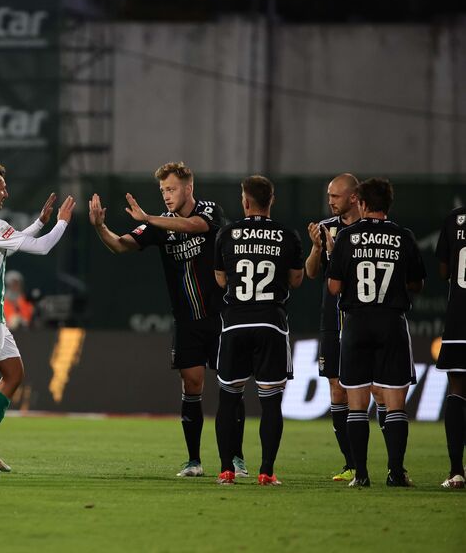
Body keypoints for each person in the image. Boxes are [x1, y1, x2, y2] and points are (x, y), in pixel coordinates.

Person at [89, 162, 248, 478]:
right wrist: (99, 228)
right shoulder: (158, 225)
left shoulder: (209, 209)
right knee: (192, 385)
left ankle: (237, 458)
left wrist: (149, 218)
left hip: (220, 316)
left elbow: (196, 226)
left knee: (230, 387)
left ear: (188, 188)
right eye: (163, 190)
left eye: (171, 188)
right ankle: (194, 461)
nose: (166, 195)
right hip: (187, 321)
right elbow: (121, 245)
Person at [0, 163, 75, 473]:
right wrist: (60, 224)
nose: (6, 192)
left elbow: (10, 243)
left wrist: (39, 221)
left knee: (14, 374)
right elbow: (42, 248)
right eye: (2, 187)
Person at [326, 178, 426, 488]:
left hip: (356, 323)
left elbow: (334, 287)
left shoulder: (347, 236)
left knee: (357, 404)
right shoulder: (403, 237)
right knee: (395, 403)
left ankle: (361, 474)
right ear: (388, 205)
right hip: (391, 322)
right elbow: (417, 284)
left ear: (362, 203)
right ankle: (396, 473)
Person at [213, 175, 304, 485]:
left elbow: (221, 280)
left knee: (228, 398)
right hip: (271, 324)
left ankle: (226, 469)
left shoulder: (226, 234)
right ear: (271, 201)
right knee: (270, 402)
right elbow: (295, 280)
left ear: (245, 201)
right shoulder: (287, 236)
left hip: (235, 322)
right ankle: (266, 471)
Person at [305, 174, 361, 482]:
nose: (331, 201)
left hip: (364, 320)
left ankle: (394, 465)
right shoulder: (326, 228)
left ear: (354, 197)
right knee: (337, 390)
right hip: (332, 323)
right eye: (329, 196)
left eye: (336, 196)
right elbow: (311, 273)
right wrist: (317, 248)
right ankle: (351, 464)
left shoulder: (368, 231)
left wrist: (336, 250)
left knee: (379, 392)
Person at [435, 205, 466, 489]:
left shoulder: (453, 219)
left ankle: (456, 471)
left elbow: (444, 270)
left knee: (457, 390)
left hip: (459, 320)